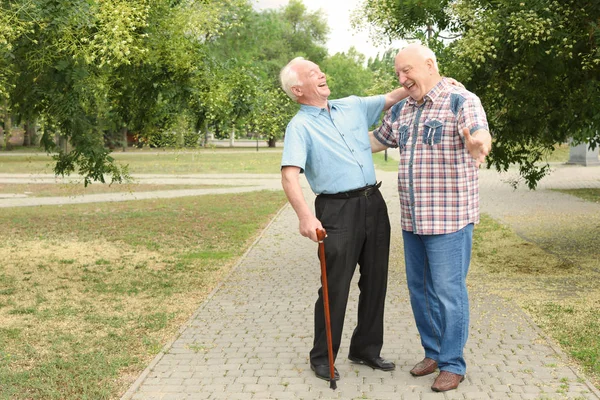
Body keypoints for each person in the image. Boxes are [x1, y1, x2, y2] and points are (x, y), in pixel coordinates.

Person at [370, 44, 492, 392]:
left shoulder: (461, 100)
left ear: (429, 65)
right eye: (397, 73)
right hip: (413, 219)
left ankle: (453, 364)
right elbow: (377, 141)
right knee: (420, 291)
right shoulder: (402, 110)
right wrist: (329, 142)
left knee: (448, 293)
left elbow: (479, 133)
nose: (402, 78)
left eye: (406, 70)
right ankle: (434, 352)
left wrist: (478, 145)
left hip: (449, 221)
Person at [279, 57, 408, 382]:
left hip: (373, 203)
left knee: (376, 281)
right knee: (335, 287)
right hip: (336, 211)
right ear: (298, 89)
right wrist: (305, 216)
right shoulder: (300, 127)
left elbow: (392, 98)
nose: (321, 74)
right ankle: (322, 357)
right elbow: (290, 176)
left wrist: (418, 77)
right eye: (312, 74)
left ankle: (365, 348)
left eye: (319, 69)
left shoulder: (352, 106)